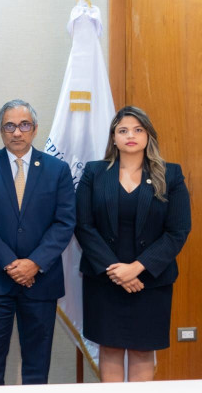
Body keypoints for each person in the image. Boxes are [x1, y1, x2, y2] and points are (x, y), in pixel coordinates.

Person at [74, 106, 191, 382]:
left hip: (150, 281)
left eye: (138, 130)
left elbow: (178, 230)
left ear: (148, 136)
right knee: (110, 347)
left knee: (142, 350)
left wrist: (137, 268)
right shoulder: (94, 173)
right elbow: (83, 225)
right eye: (123, 130)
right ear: (113, 137)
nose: (131, 136)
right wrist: (116, 271)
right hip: (104, 279)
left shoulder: (171, 175)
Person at [0, 99, 75, 385]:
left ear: (35, 129)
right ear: (1, 130)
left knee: (37, 367)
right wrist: (11, 264)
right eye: (10, 126)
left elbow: (64, 222)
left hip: (41, 282)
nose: (17, 132)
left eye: (24, 125)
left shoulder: (57, 170)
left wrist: (34, 264)